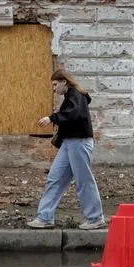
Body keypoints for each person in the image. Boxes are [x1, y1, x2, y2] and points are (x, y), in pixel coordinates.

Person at [27, 69, 106, 230]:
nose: (54, 88)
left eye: (55, 84)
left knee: (83, 180)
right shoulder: (72, 96)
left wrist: (52, 118)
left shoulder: (76, 95)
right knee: (55, 178)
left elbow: (72, 114)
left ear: (64, 82)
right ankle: (45, 217)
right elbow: (71, 117)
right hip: (70, 143)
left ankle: (95, 218)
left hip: (79, 143)